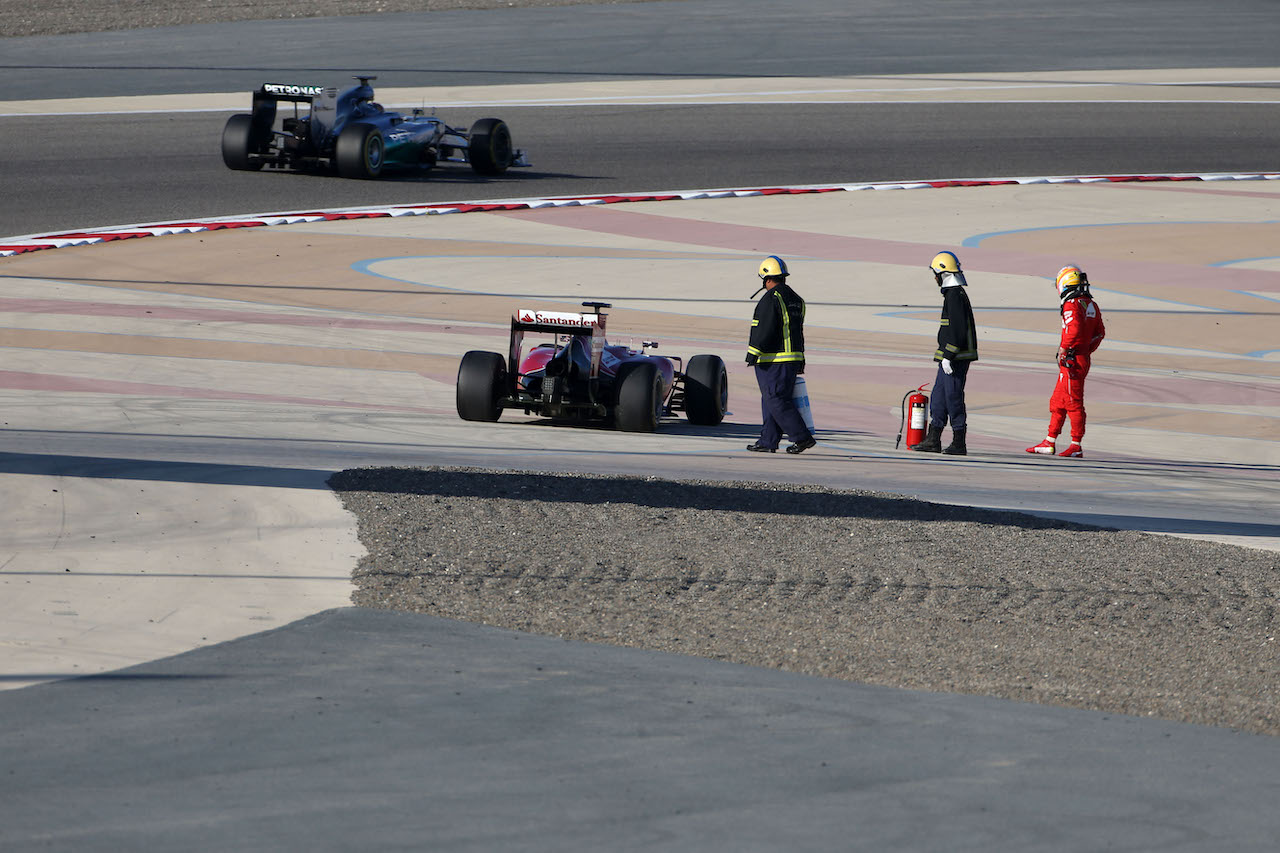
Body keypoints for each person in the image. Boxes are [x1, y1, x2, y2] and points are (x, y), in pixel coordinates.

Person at [1026, 264, 1106, 458]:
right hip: (1081, 358)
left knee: (1073, 403)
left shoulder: (1072, 304)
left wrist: (1066, 349)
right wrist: (1086, 350)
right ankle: (1049, 441)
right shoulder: (1091, 304)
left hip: (1072, 360)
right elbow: (1100, 333)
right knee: (1058, 401)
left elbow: (1074, 329)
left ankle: (1076, 445)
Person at [745, 255, 816, 454]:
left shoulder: (771, 299)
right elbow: (797, 332)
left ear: (767, 279)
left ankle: (802, 438)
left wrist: (753, 353)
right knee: (772, 399)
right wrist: (801, 358)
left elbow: (764, 329)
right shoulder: (796, 299)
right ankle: (768, 440)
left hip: (774, 360)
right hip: (792, 358)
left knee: (775, 399)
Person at [910, 250, 978, 455]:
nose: (935, 278)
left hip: (955, 358)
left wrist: (949, 355)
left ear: (943, 273)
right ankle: (934, 438)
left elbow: (956, 330)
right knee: (939, 397)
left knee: (953, 397)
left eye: (936, 274)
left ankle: (959, 441)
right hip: (947, 357)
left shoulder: (955, 296)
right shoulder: (951, 295)